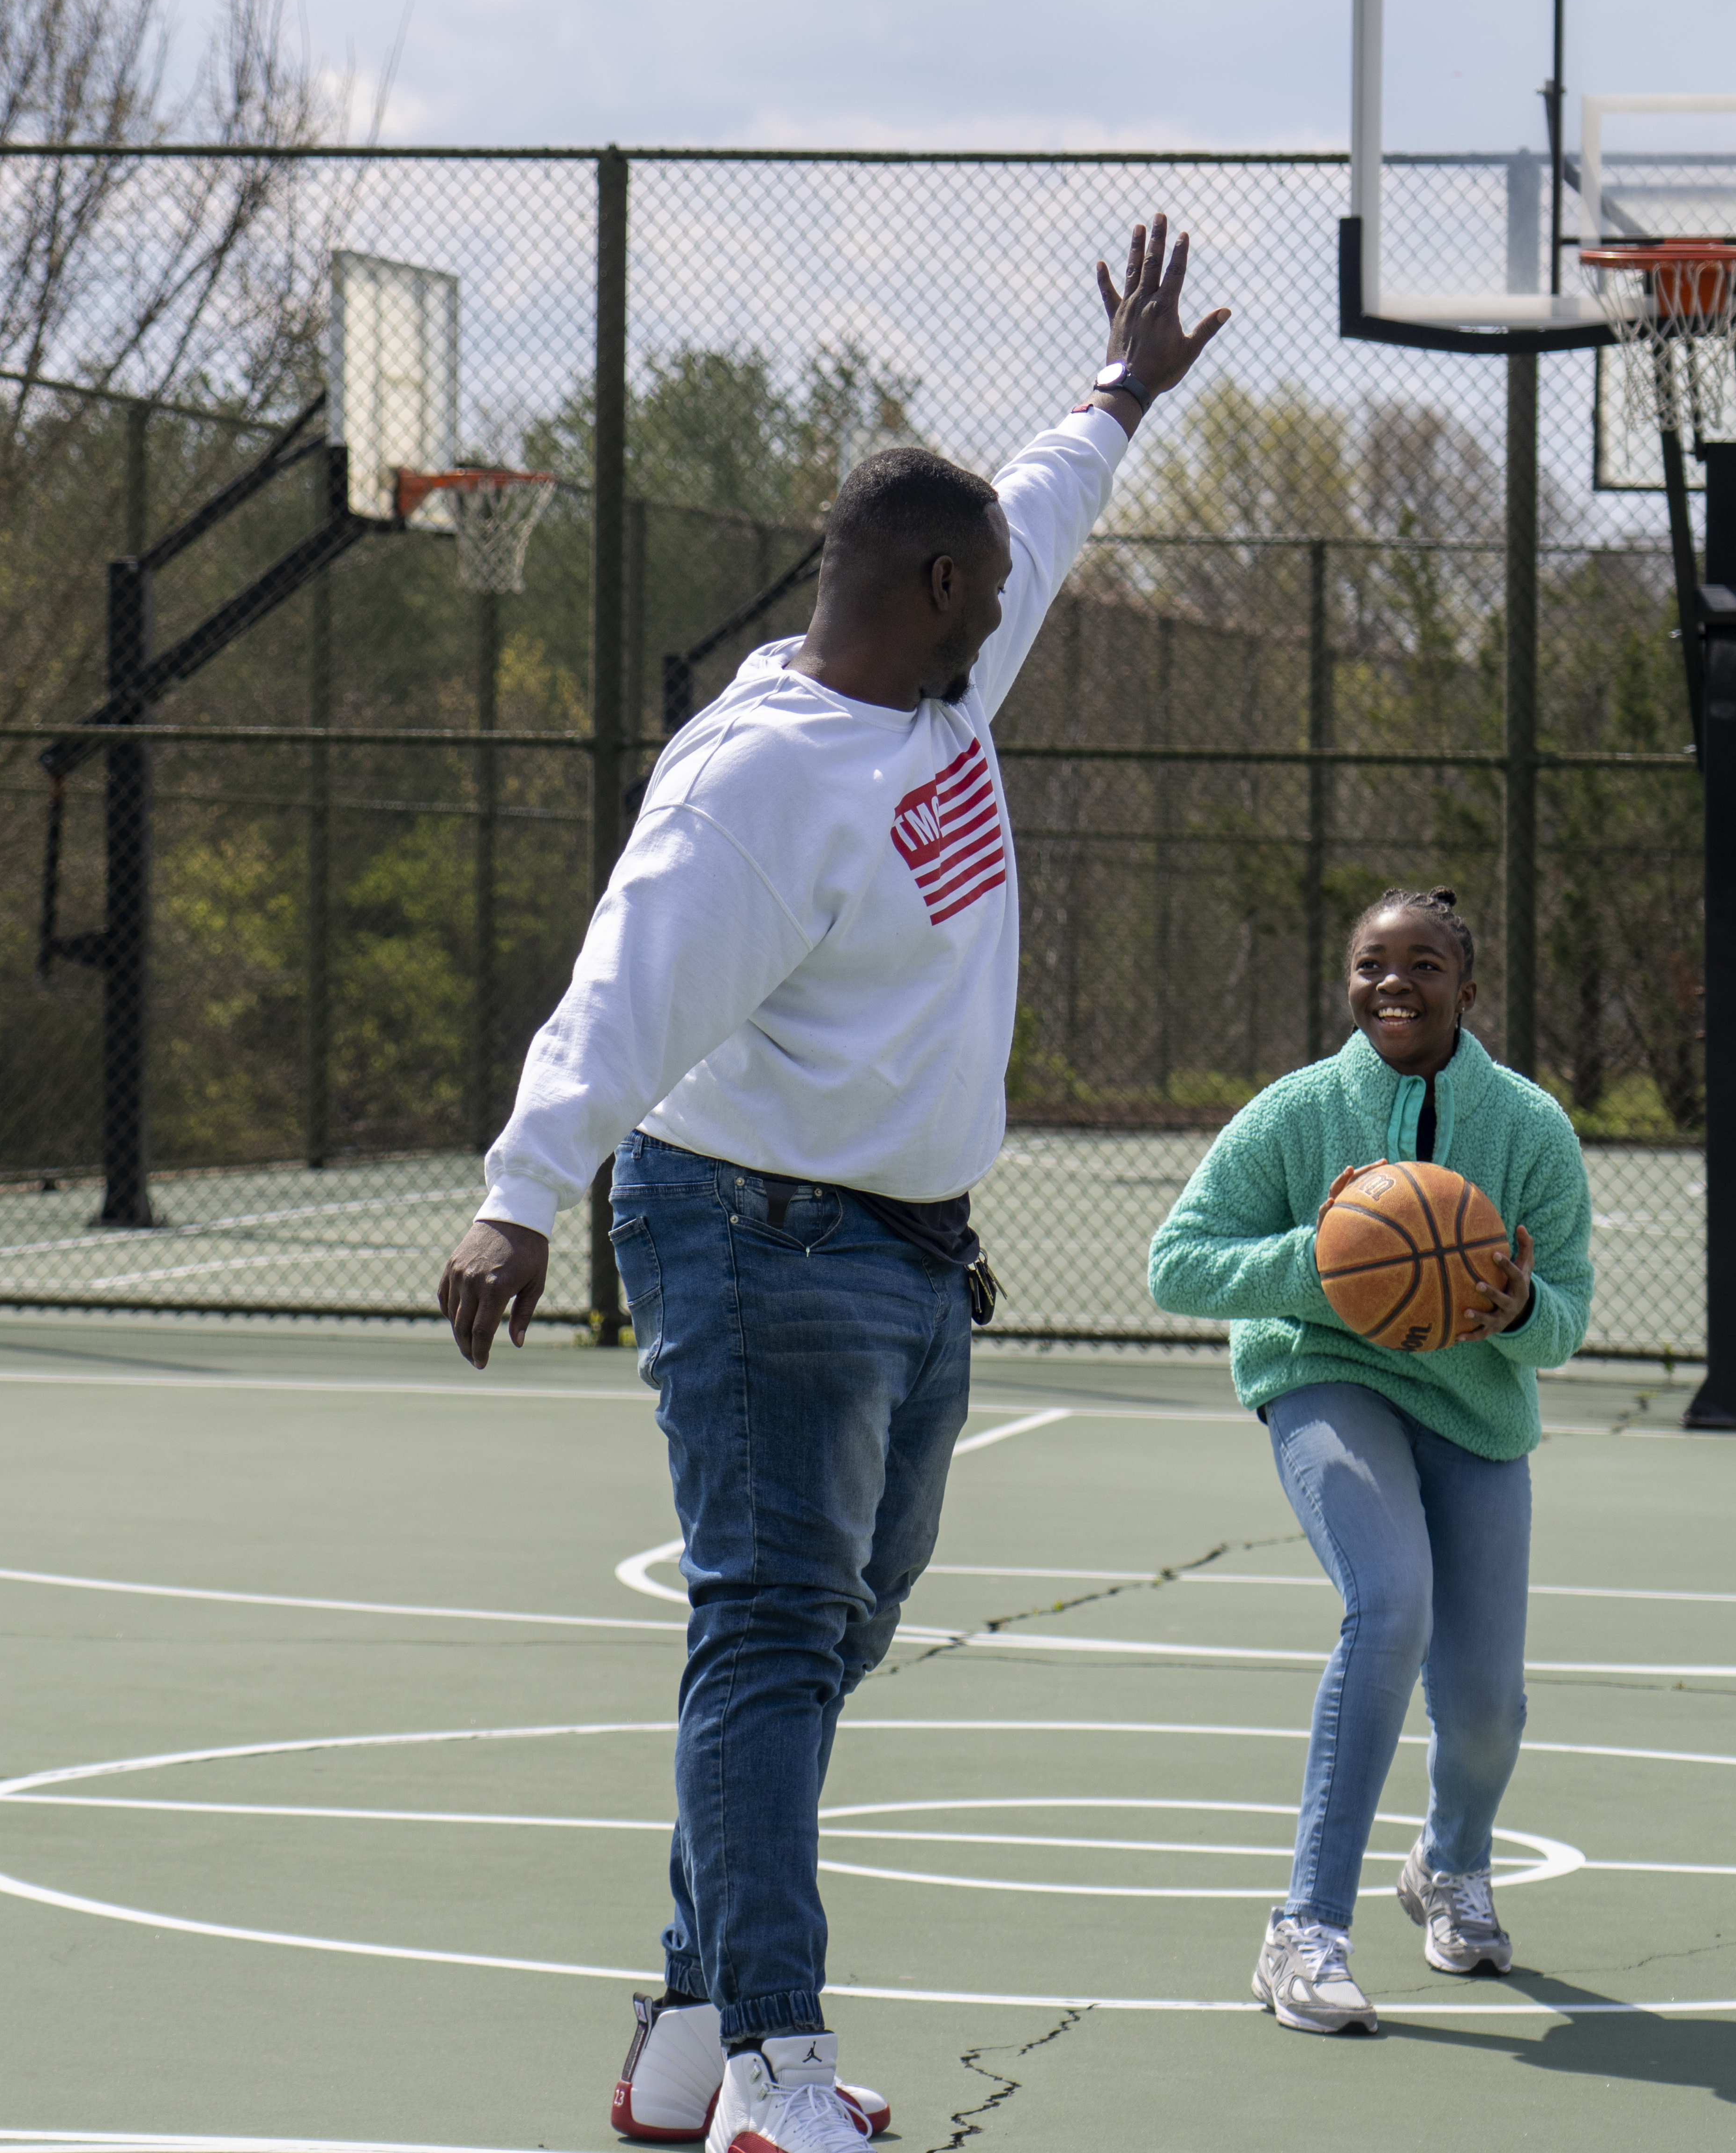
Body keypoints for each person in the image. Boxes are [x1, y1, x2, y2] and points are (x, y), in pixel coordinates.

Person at [435, 218, 1227, 2152]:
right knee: (779, 1630)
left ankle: (692, 2031)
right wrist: (522, 1187)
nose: (1011, 601)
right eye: (990, 589)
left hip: (904, 1251)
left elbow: (1032, 499)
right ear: (931, 588)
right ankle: (779, 2082)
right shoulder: (762, 781)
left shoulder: (941, 676)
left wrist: (1117, 394)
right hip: (756, 1234)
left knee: (836, 1624)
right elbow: (624, 983)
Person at [1144, 885, 1592, 2034]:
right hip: (1322, 1376)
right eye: (1371, 964)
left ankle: (1448, 1867)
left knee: (1488, 1708)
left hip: (1475, 1410)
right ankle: (1305, 1932)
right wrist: (1328, 1260)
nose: (1395, 982)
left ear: (1468, 987)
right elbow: (1178, 1265)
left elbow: (1568, 1321)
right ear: (1348, 983)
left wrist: (1513, 1304)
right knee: (1389, 1605)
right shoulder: (1297, 1115)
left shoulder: (1530, 1129)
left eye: (1425, 963)